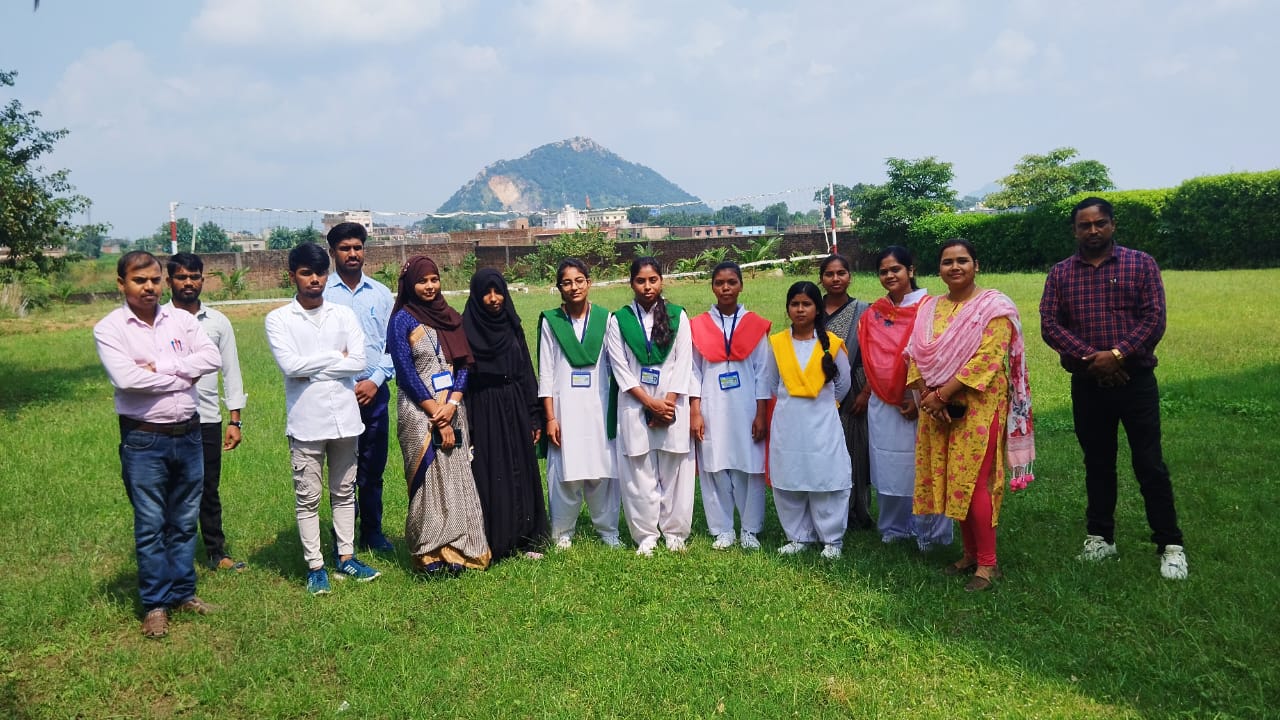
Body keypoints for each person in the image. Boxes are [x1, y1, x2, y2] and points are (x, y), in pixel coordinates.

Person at [1040, 197, 1187, 580]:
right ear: (1075, 230)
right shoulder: (1061, 273)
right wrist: (1094, 360)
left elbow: (1154, 318)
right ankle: (1101, 538)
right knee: (1097, 463)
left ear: (1112, 225)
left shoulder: (1141, 264)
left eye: (1100, 223)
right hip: (1088, 384)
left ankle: (1170, 545)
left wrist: (1118, 355)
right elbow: (1050, 325)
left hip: (1135, 382)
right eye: (1085, 225)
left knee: (1149, 463)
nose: (1093, 230)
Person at [94, 250, 222, 638]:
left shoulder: (181, 319)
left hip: (189, 434)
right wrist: (185, 376)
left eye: (153, 280)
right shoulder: (110, 328)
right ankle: (155, 604)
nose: (148, 287)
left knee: (184, 521)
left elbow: (211, 357)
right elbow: (128, 379)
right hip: (145, 439)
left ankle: (184, 593)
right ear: (122, 284)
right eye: (139, 280)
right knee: (151, 524)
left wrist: (164, 368)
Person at [905, 239, 1035, 592]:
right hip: (937, 409)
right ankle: (970, 555)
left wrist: (942, 395)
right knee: (952, 480)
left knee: (974, 483)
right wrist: (929, 399)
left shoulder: (994, 307)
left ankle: (988, 565)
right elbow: (916, 353)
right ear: (939, 269)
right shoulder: (929, 308)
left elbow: (988, 360)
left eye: (962, 260)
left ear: (976, 265)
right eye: (947, 262)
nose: (955, 267)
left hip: (979, 406)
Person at [265, 243, 381, 595]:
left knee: (344, 492)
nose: (314, 279)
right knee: (308, 497)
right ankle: (315, 566)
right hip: (307, 422)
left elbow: (359, 362)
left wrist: (313, 368)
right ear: (293, 276)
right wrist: (335, 358)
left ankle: (346, 556)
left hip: (345, 419)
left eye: (319, 273)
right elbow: (290, 366)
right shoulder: (279, 319)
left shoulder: (343, 315)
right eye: (306, 273)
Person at [388, 256, 491, 573]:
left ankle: (461, 549)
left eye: (434, 279)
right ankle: (429, 552)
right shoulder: (402, 321)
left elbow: (464, 365)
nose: (430, 286)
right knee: (428, 480)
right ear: (410, 285)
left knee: (456, 476)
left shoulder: (450, 317)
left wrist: (452, 404)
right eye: (422, 281)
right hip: (418, 411)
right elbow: (406, 373)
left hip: (452, 407)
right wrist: (436, 412)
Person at [856, 246, 954, 551]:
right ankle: (894, 527)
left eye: (895, 269)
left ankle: (930, 532)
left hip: (923, 398)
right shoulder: (874, 313)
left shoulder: (930, 308)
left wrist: (917, 397)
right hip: (883, 400)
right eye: (883, 271)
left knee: (924, 464)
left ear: (910, 270)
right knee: (887, 463)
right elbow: (872, 359)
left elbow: (938, 355)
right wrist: (881, 391)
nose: (889, 275)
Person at [604, 257, 695, 556]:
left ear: (661, 281)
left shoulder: (678, 316)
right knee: (638, 472)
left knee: (675, 470)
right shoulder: (619, 320)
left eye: (653, 280)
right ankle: (645, 535)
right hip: (635, 404)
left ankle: (675, 533)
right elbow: (620, 369)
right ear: (631, 283)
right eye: (640, 281)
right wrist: (650, 404)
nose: (647, 286)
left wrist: (667, 404)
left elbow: (684, 363)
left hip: (672, 406)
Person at [164, 252, 248, 572]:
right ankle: (172, 555)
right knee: (170, 489)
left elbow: (232, 371)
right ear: (169, 281)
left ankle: (216, 552)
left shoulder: (217, 322)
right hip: (167, 420)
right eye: (182, 277)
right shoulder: (158, 321)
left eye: (194, 277)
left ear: (202, 279)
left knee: (208, 488)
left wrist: (235, 420)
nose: (188, 282)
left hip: (208, 419)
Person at [462, 268, 549, 561]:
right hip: (483, 408)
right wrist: (468, 424)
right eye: (486, 293)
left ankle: (526, 538)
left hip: (514, 403)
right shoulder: (466, 328)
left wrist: (534, 414)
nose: (493, 299)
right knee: (490, 471)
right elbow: (464, 379)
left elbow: (525, 370)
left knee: (519, 467)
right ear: (476, 295)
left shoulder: (512, 324)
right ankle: (496, 540)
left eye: (498, 291)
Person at [537, 259, 623, 550]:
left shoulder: (606, 319)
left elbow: (615, 365)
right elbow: (546, 373)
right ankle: (563, 532)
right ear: (559, 287)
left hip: (599, 405)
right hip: (564, 408)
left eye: (579, 280)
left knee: (602, 470)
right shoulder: (551, 322)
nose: (574, 287)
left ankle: (608, 530)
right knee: (564, 470)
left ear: (589, 282)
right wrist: (550, 418)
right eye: (567, 282)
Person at [763, 281, 853, 560]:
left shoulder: (832, 344)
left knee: (826, 476)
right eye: (795, 304)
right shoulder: (777, 344)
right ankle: (798, 536)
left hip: (823, 423)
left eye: (806, 304)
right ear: (787, 308)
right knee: (789, 477)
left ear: (817, 309)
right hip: (789, 422)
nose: (800, 309)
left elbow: (843, 385)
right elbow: (772, 383)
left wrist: (824, 407)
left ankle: (831, 539)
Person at [688, 261, 772, 550]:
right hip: (711, 406)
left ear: (741, 285)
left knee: (749, 467)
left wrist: (761, 413)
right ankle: (722, 528)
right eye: (720, 283)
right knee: (714, 466)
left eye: (732, 282)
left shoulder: (754, 325)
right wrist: (695, 411)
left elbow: (763, 372)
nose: (726, 288)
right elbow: (693, 371)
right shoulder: (698, 326)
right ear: (712, 287)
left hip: (746, 407)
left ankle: (750, 529)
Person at [323, 222, 396, 552]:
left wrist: (375, 380)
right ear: (332, 252)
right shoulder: (323, 294)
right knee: (341, 470)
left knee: (372, 466)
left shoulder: (380, 294)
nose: (352, 253)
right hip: (336, 393)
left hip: (374, 393)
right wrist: (349, 383)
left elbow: (394, 345)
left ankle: (372, 531)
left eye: (357, 247)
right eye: (345, 248)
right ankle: (343, 536)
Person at [819, 254, 874, 533]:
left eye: (841, 273)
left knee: (855, 448)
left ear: (850, 276)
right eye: (829, 274)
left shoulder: (864, 311)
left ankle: (857, 509)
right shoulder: (812, 308)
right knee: (825, 449)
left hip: (856, 386)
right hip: (819, 389)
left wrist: (866, 392)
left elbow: (875, 354)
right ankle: (826, 508)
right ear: (821, 279)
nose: (836, 279)